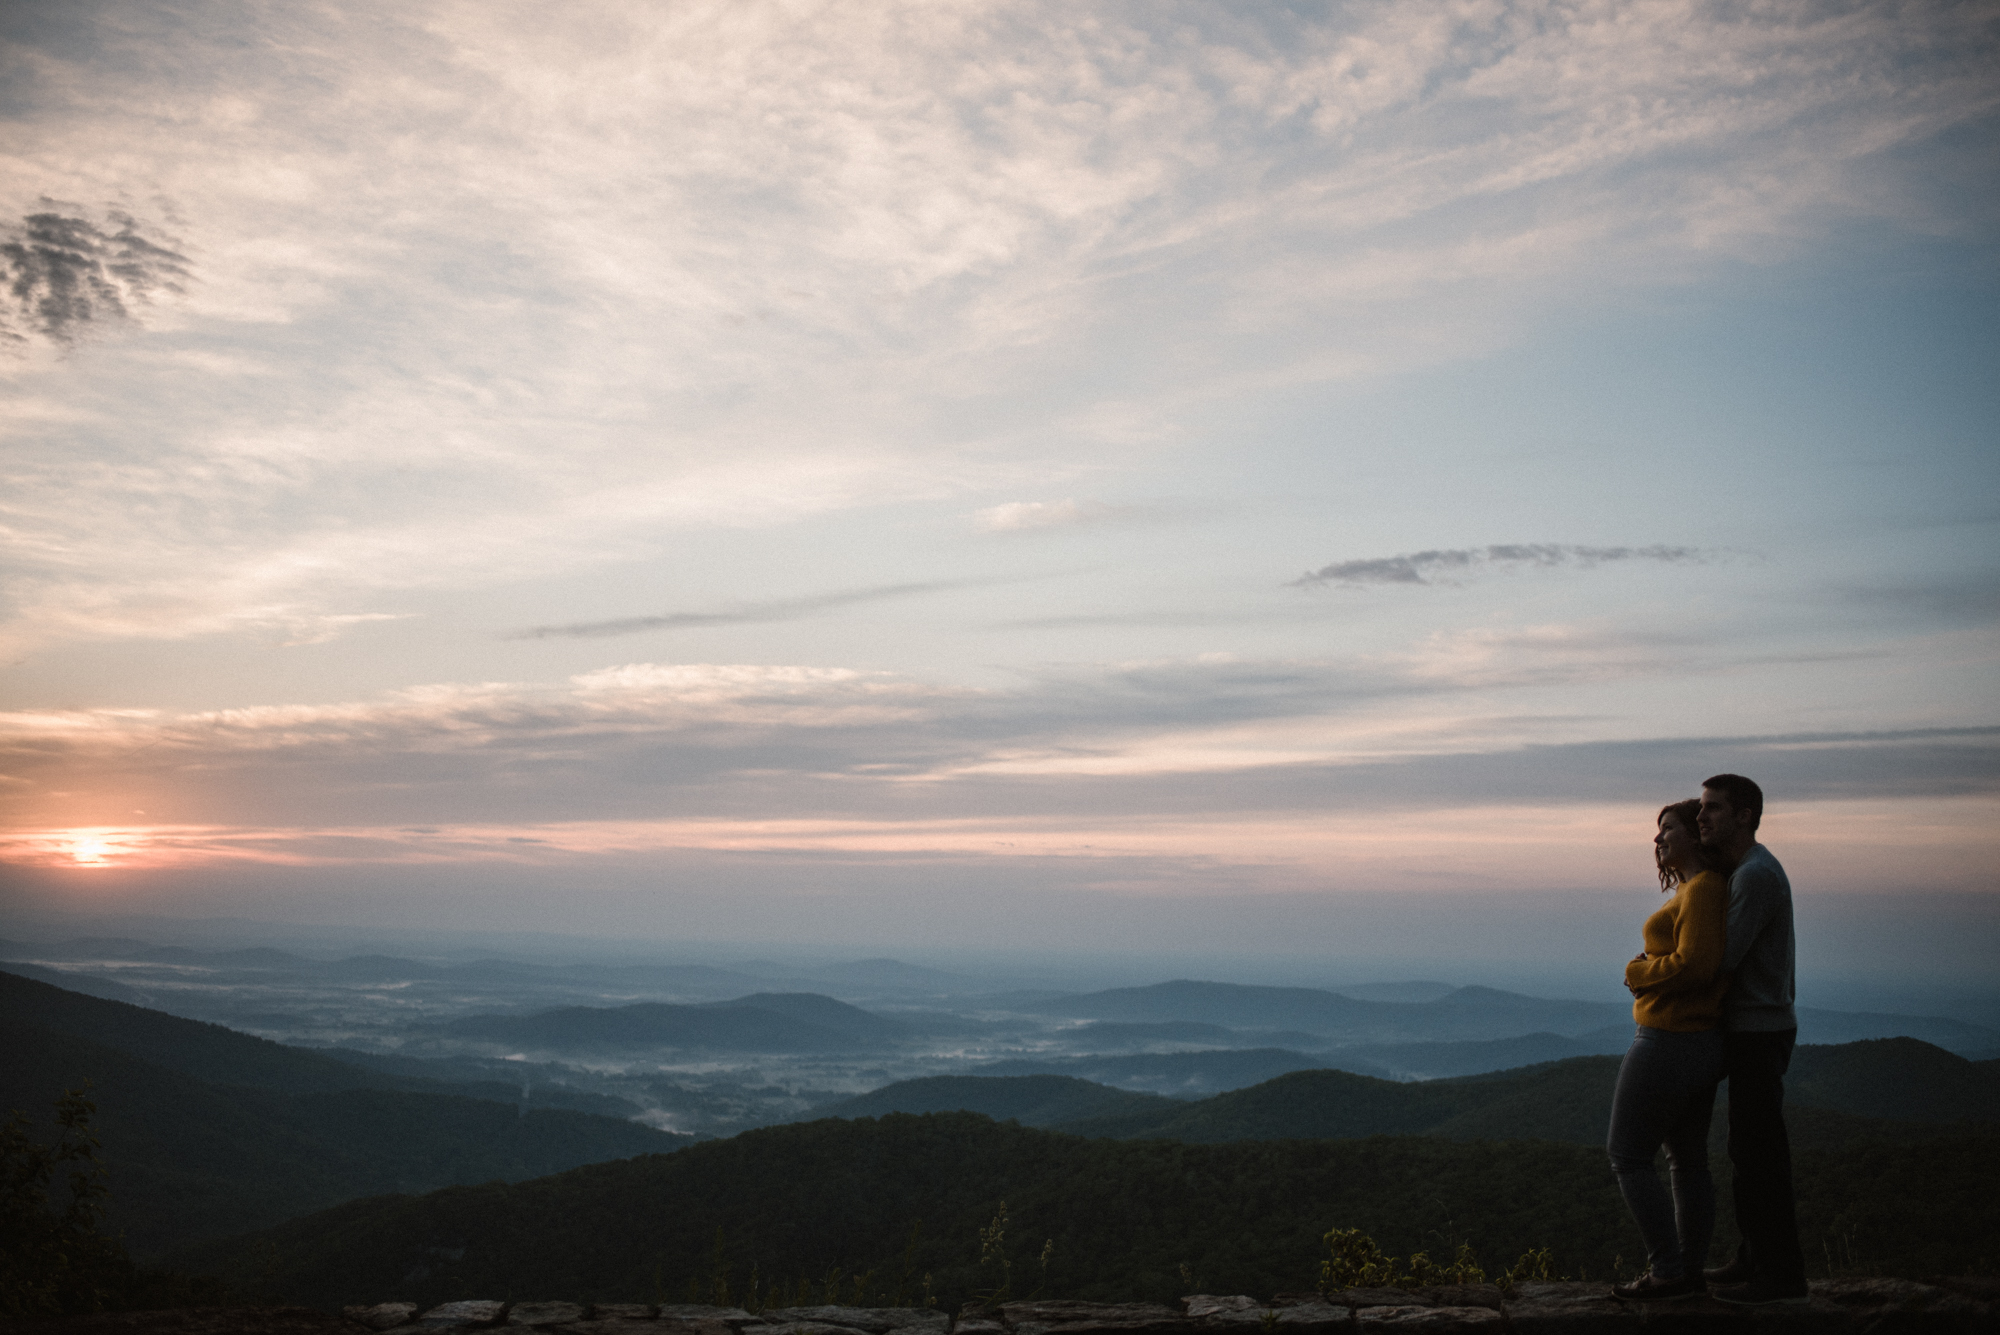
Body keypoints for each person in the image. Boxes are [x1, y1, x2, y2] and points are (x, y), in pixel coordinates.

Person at [1606, 798, 1730, 1302]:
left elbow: (1695, 966)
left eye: (1668, 829)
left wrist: (1638, 973)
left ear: (1694, 836)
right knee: (1686, 1159)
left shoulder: (1702, 890)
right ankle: (1688, 1270)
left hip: (1670, 1040)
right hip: (1698, 1042)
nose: (1658, 840)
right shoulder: (1696, 890)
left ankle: (1668, 1270)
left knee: (1627, 1155)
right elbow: (1685, 959)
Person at [1698, 772, 1809, 1306]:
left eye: (1714, 809)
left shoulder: (1756, 875)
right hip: (1758, 1028)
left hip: (1758, 1031)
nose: (1702, 818)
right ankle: (1753, 1257)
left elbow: (1724, 956)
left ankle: (1780, 1276)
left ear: (1744, 815)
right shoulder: (1750, 869)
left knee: (1761, 1157)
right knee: (1748, 1150)